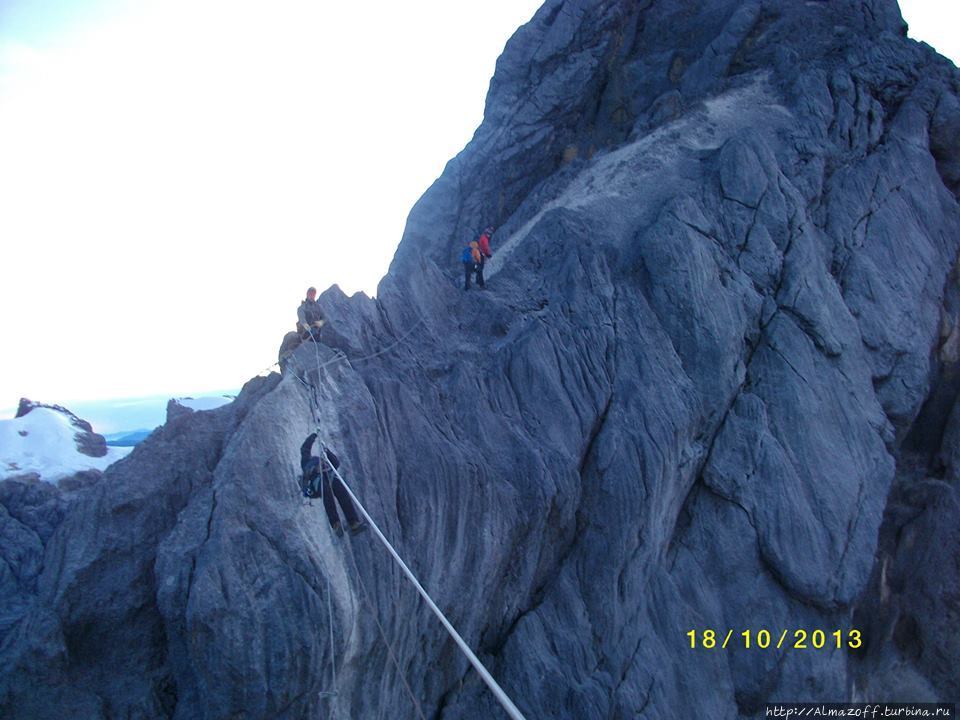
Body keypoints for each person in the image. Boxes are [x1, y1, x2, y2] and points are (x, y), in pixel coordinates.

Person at [299, 433, 367, 537]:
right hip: (316, 480)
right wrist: (313, 437)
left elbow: (335, 463)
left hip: (329, 475)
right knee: (327, 492)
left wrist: (326, 451)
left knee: (342, 492)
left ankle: (353, 523)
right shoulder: (307, 462)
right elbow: (305, 449)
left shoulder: (322, 458)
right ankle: (335, 523)